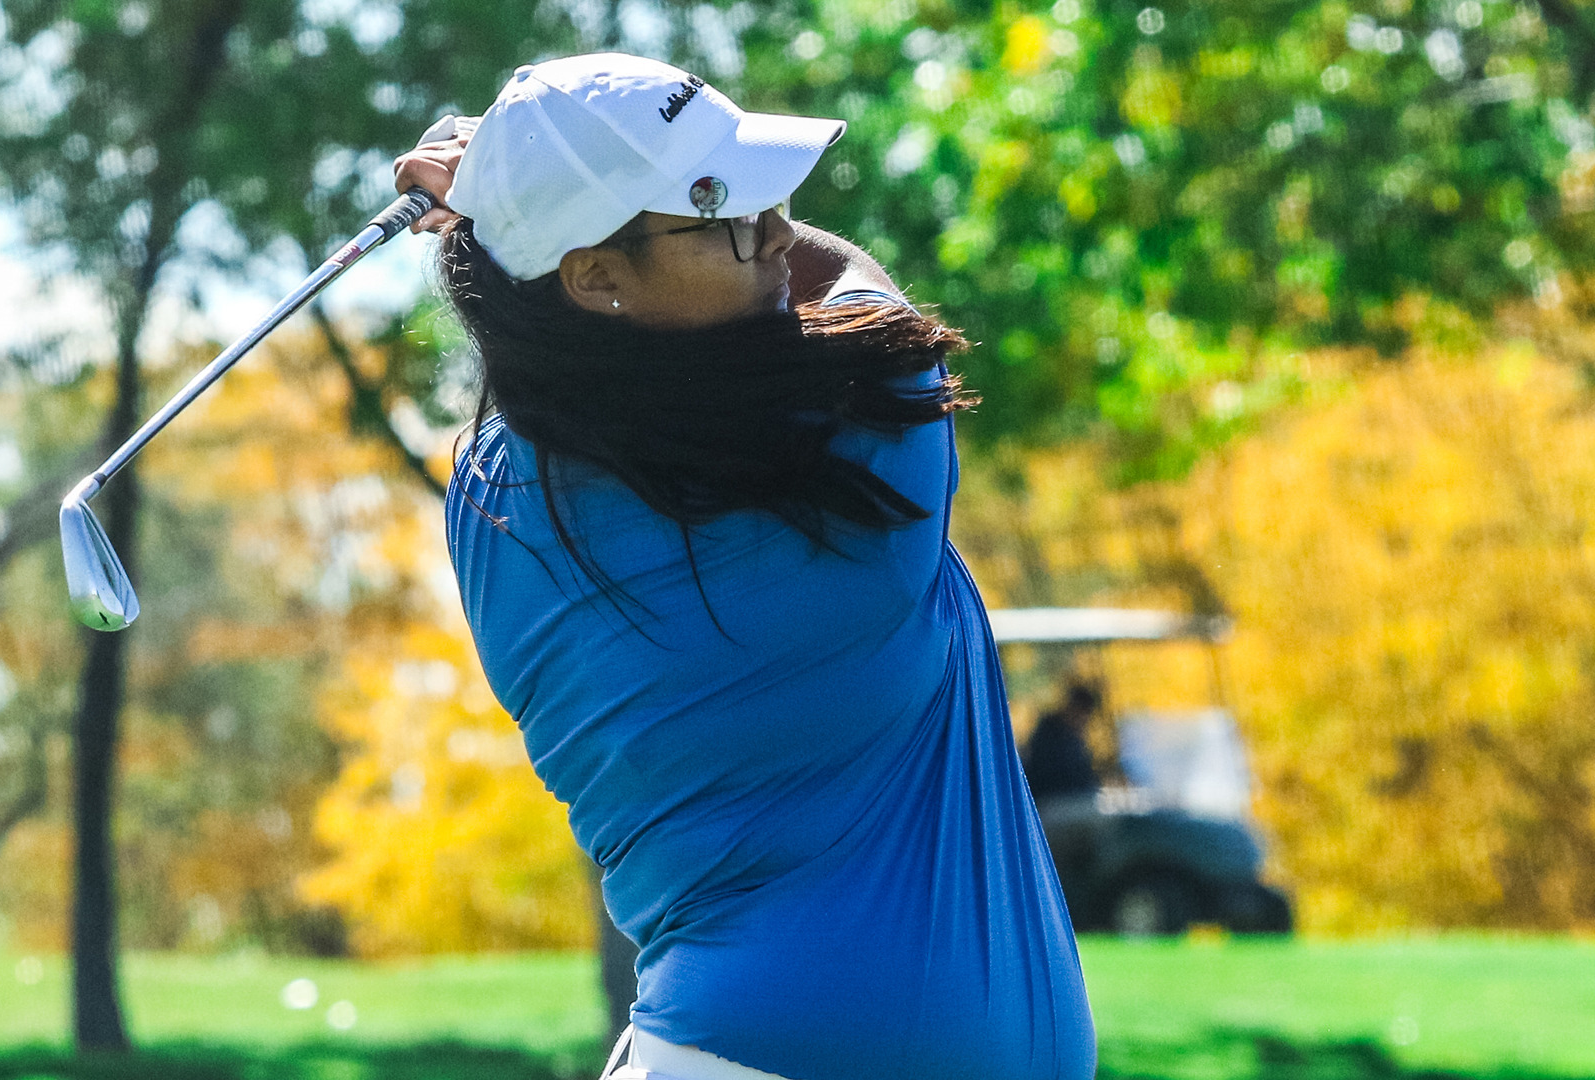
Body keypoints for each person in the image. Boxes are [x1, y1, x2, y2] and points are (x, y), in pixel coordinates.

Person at [393, 54, 1095, 1080]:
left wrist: (505, 211)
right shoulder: (872, 434)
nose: (772, 229)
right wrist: (493, 201)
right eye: (720, 204)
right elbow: (856, 285)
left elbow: (553, 354)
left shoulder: (494, 515)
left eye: (766, 192)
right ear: (595, 276)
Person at [1023, 680, 1106, 802]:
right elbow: (1061, 775)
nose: (1084, 721)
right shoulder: (1049, 734)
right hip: (1048, 801)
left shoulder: (1073, 737)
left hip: (1066, 800)